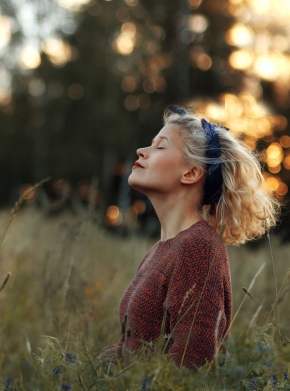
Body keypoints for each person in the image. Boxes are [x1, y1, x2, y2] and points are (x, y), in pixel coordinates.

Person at [95, 105, 279, 370]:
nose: (141, 151)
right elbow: (136, 347)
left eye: (160, 147)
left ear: (190, 173)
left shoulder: (199, 246)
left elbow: (193, 362)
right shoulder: (160, 250)